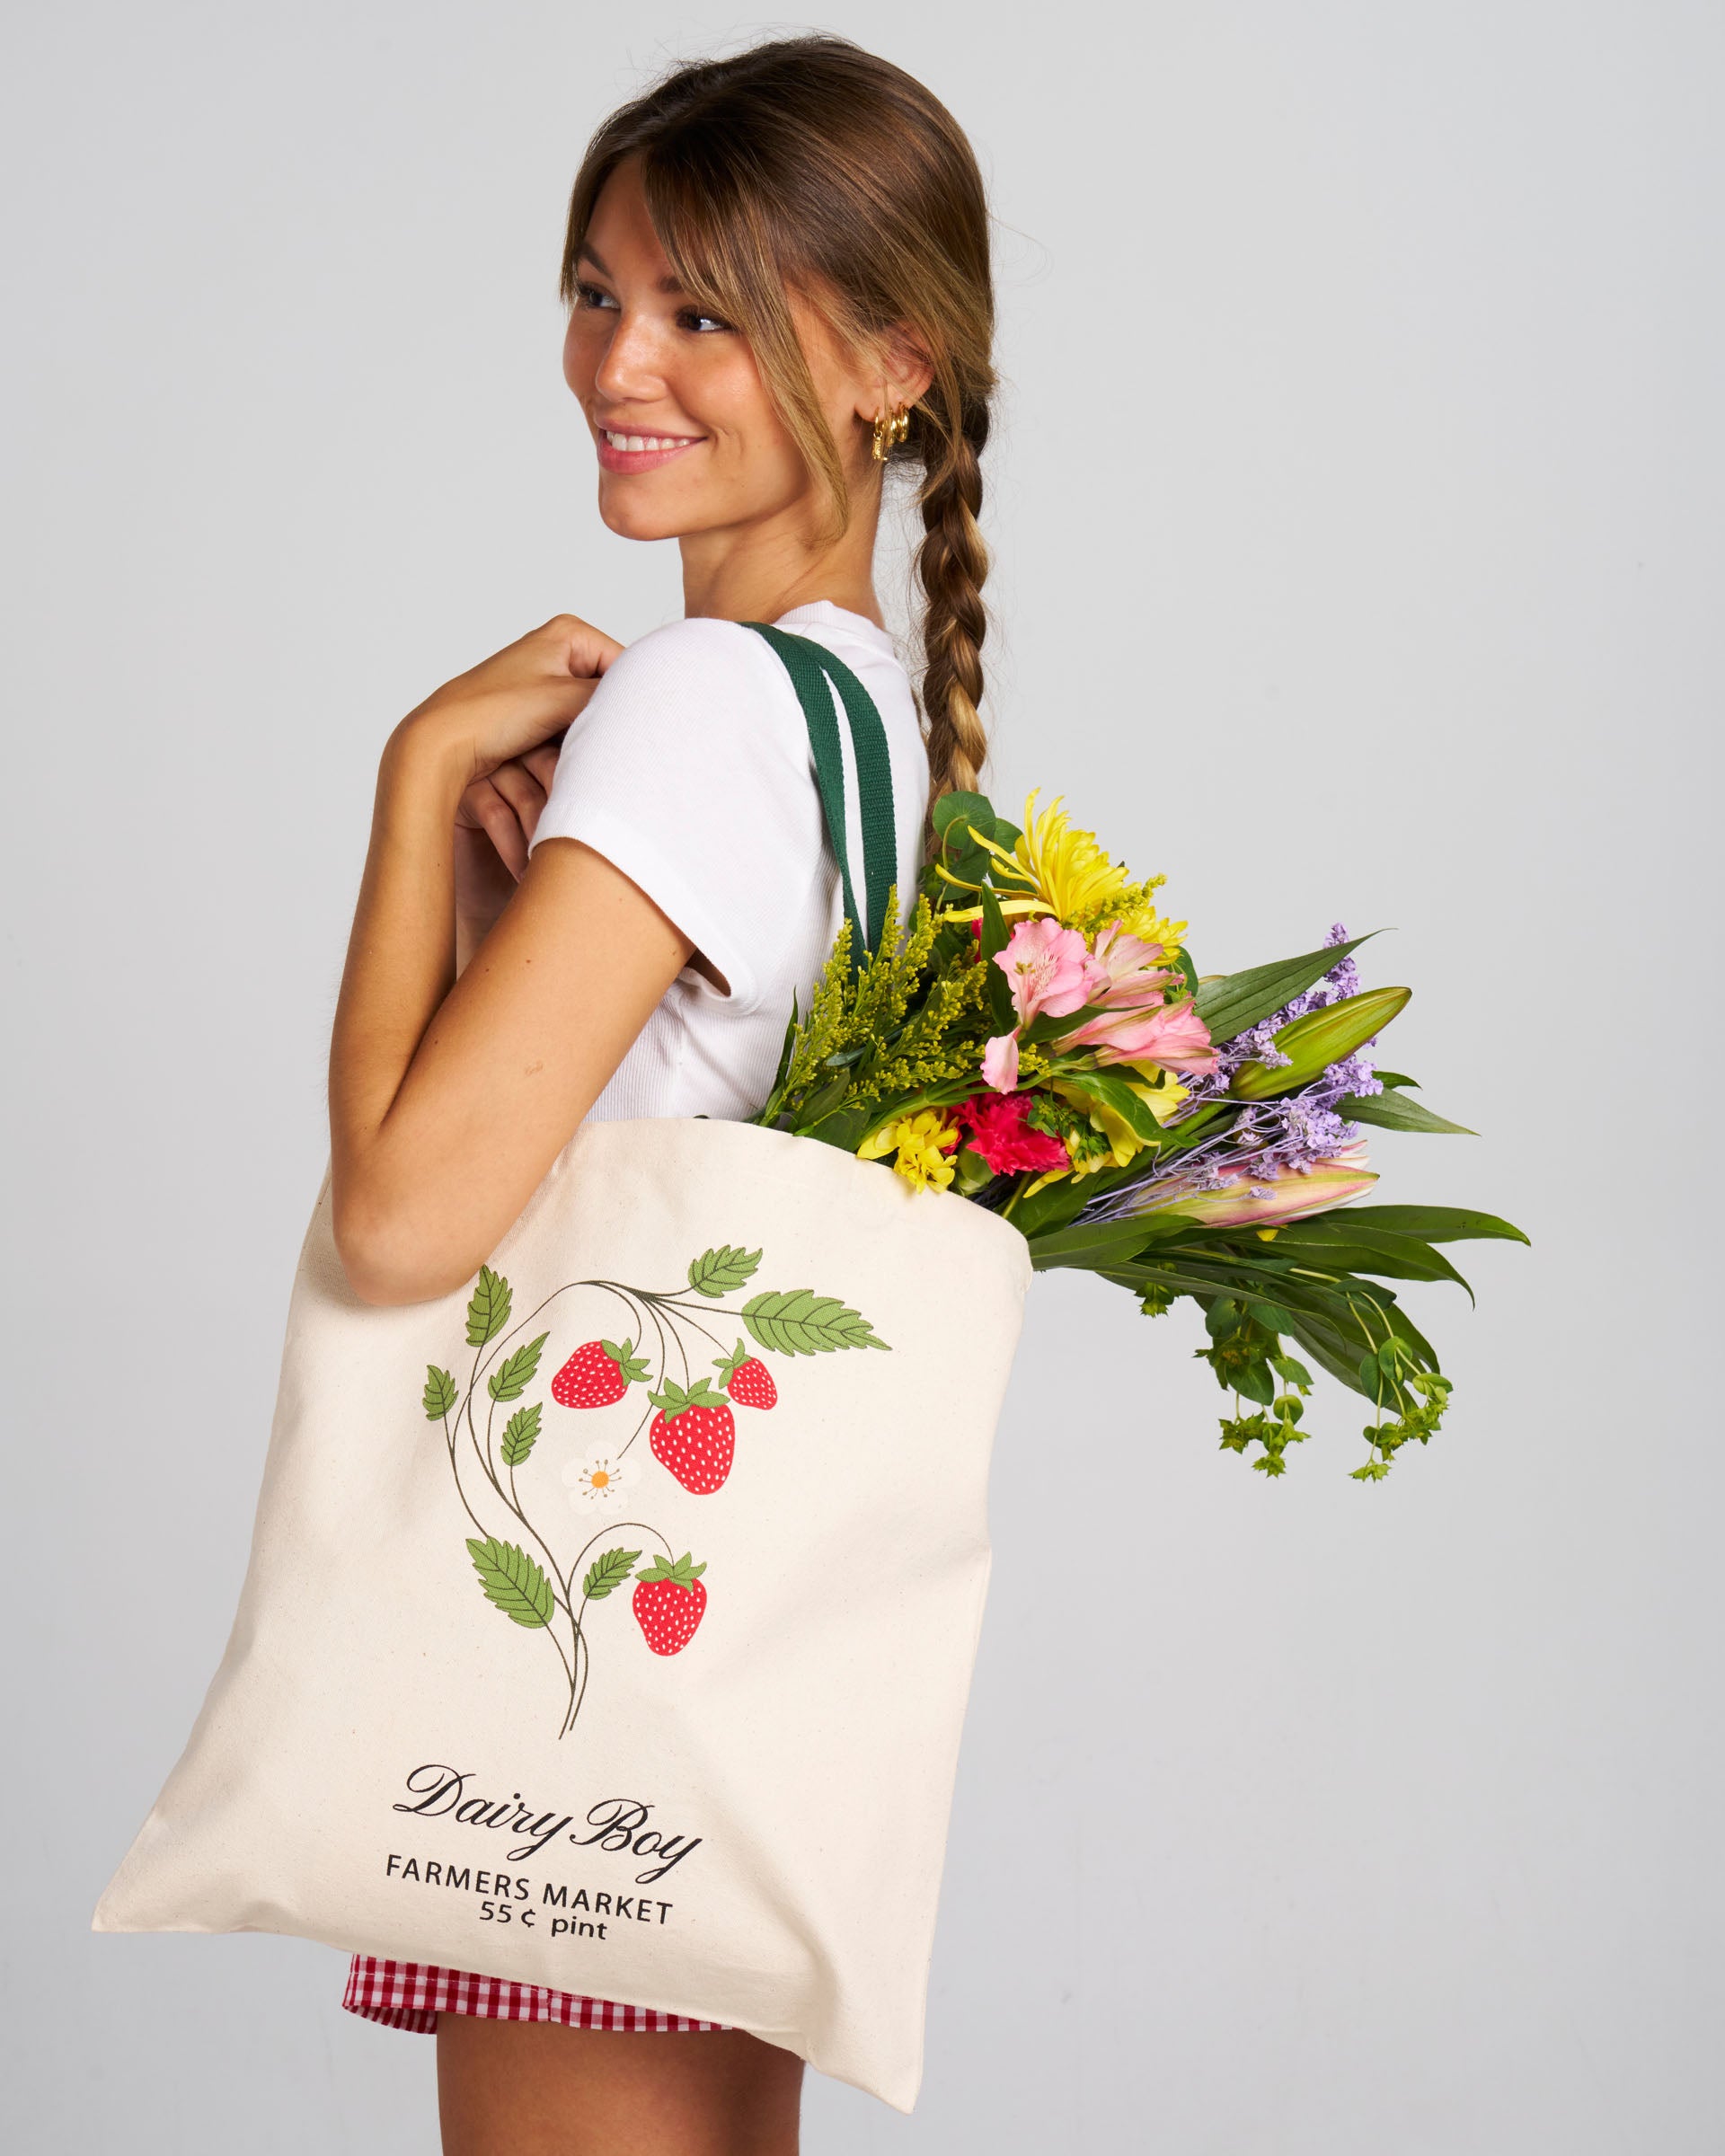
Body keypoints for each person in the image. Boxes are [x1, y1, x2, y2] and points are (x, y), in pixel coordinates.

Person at [323, 33, 995, 2156]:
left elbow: (403, 1223)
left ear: (895, 365)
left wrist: (415, 776)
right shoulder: (869, 711)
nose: (624, 358)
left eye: (705, 309)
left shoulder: (704, 699)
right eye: (598, 292)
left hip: (578, 1667)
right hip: (719, 1652)